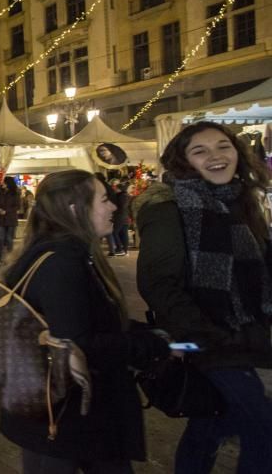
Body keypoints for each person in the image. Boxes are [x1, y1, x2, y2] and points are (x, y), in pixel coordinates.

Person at [1, 170, 172, 474]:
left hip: (69, 416)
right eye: (104, 200)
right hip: (68, 419)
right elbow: (79, 344)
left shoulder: (66, 254)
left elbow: (89, 322)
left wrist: (147, 333)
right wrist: (152, 344)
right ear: (73, 209)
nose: (114, 207)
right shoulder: (62, 263)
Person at [133, 121, 272, 474]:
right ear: (184, 162)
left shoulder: (240, 200)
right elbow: (158, 283)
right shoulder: (166, 206)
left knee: (213, 421)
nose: (215, 156)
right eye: (200, 151)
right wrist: (204, 336)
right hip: (205, 339)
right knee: (262, 426)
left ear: (237, 153)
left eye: (223, 146)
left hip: (243, 333)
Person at [0, 177, 21, 264]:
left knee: (9, 239)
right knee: (0, 238)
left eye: (4, 182)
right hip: (0, 219)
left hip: (11, 218)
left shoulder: (15, 193)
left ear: (8, 183)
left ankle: (10, 258)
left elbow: (17, 206)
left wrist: (6, 211)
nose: (2, 184)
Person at [109, 183, 131, 257]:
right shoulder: (127, 195)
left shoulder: (120, 196)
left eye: (116, 188)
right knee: (124, 234)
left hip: (120, 217)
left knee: (114, 232)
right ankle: (125, 250)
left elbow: (120, 206)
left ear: (119, 189)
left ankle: (119, 249)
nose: (115, 189)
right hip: (125, 217)